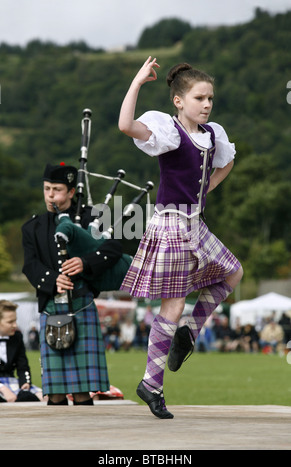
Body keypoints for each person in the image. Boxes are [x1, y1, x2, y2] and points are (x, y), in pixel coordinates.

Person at [118, 57, 243, 419]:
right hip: (171, 225)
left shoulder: (213, 134)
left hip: (195, 222)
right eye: (200, 98)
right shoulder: (168, 131)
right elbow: (126, 125)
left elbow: (227, 162)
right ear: (179, 101)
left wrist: (207, 190)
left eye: (210, 99)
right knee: (171, 306)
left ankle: (188, 332)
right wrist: (138, 82)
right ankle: (151, 384)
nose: (206, 104)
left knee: (234, 273)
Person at [22, 163, 122, 405]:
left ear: (70, 192)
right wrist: (52, 279)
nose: (50, 195)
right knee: (55, 392)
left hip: (81, 303)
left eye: (56, 189)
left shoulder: (92, 218)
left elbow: (114, 248)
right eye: (46, 189)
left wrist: (85, 262)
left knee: (82, 390)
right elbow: (30, 265)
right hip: (51, 305)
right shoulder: (33, 227)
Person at [0, 300, 43, 403]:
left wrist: (25, 383)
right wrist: (2, 388)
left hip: (11, 381)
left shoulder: (17, 338)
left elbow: (23, 366)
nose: (15, 325)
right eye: (10, 322)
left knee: (42, 397)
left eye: (15, 321)